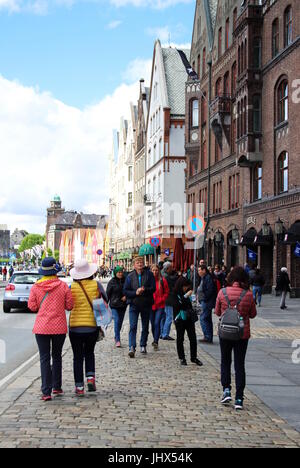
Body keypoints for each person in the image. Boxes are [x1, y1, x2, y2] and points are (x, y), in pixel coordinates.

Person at [28, 257, 74, 402]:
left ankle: (46, 391)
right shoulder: (63, 286)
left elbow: (32, 306)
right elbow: (70, 306)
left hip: (42, 327)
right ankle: (57, 386)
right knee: (57, 356)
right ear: (55, 271)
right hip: (59, 327)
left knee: (44, 358)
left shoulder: (36, 287)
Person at [215, 266, 257, 411]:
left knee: (225, 361)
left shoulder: (222, 292)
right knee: (239, 365)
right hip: (242, 334)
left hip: (225, 333)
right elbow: (252, 314)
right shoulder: (249, 294)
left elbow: (217, 311)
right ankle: (239, 398)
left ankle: (226, 390)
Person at [69, 259, 107, 396]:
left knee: (77, 357)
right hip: (91, 325)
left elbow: (68, 304)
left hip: (75, 326)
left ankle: (79, 387)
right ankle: (90, 379)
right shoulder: (96, 284)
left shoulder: (71, 287)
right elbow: (105, 299)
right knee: (89, 353)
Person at [124, 257, 156, 358]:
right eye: (137, 262)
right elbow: (125, 291)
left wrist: (144, 289)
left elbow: (153, 288)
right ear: (134, 265)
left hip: (146, 304)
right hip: (134, 304)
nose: (139, 264)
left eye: (141, 262)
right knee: (133, 326)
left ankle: (143, 345)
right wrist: (135, 292)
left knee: (145, 326)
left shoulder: (149, 274)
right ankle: (132, 347)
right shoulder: (130, 276)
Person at [173, 277, 203, 367]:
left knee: (193, 338)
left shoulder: (190, 293)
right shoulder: (175, 293)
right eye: (185, 286)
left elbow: (192, 305)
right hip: (179, 319)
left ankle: (193, 357)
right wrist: (185, 296)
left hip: (189, 318)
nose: (186, 288)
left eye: (187, 286)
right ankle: (182, 357)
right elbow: (178, 305)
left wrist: (193, 301)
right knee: (180, 338)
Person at [106, 266, 127, 348]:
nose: (120, 274)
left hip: (123, 305)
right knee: (117, 320)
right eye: (118, 272)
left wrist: (127, 296)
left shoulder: (126, 280)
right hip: (114, 305)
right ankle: (118, 340)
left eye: (121, 272)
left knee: (120, 322)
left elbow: (129, 290)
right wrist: (105, 305)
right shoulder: (112, 282)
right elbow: (107, 294)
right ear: (115, 273)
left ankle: (116, 336)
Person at [150, 264, 169, 350]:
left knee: (157, 323)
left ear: (159, 271)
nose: (154, 272)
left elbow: (167, 292)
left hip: (160, 305)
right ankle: (155, 338)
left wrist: (163, 299)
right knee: (153, 324)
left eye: (156, 270)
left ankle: (156, 341)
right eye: (153, 270)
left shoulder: (162, 280)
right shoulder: (148, 281)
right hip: (150, 305)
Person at [197, 265, 217, 344]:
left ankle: (207, 336)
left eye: (199, 270)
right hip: (204, 301)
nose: (198, 272)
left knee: (203, 318)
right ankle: (208, 336)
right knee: (207, 319)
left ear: (204, 270)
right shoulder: (203, 278)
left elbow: (210, 290)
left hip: (207, 301)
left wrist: (204, 298)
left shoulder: (207, 278)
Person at [161, 262, 178, 341]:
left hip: (165, 299)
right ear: (167, 268)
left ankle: (162, 333)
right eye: (171, 268)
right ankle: (165, 334)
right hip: (168, 299)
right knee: (169, 316)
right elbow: (172, 286)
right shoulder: (166, 277)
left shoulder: (162, 275)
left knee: (164, 317)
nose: (172, 269)